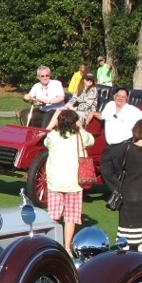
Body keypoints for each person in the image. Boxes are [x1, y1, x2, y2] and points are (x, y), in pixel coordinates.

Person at [43, 109, 94, 256]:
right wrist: (81, 126)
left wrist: (52, 123)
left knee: (53, 215)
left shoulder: (52, 136)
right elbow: (91, 140)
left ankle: (52, 245)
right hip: (74, 183)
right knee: (70, 217)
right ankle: (67, 247)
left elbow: (45, 139)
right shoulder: (80, 136)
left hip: (55, 181)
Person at [107, 119, 142, 254]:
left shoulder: (126, 148)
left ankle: (125, 263)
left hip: (128, 195)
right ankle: (141, 264)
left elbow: (112, 163)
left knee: (125, 233)